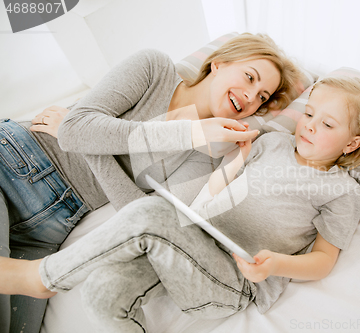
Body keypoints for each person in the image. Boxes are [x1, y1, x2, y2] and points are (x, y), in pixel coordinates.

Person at [0, 76, 360, 332]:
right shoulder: (272, 142)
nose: (308, 126)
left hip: (233, 281)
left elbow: (324, 260)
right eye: (308, 114)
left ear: (353, 143)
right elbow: (217, 186)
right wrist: (234, 160)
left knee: (151, 213)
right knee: (101, 292)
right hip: (188, 246)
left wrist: (277, 264)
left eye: (327, 125)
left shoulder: (341, 191)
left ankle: (40, 278)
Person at [0, 33, 301, 333]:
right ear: (218, 64)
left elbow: (141, 214)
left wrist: (82, 140)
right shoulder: (154, 68)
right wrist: (188, 131)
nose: (251, 97)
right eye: (250, 77)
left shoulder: (206, 157)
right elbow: (78, 127)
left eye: (262, 96)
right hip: (18, 161)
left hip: (52, 226)